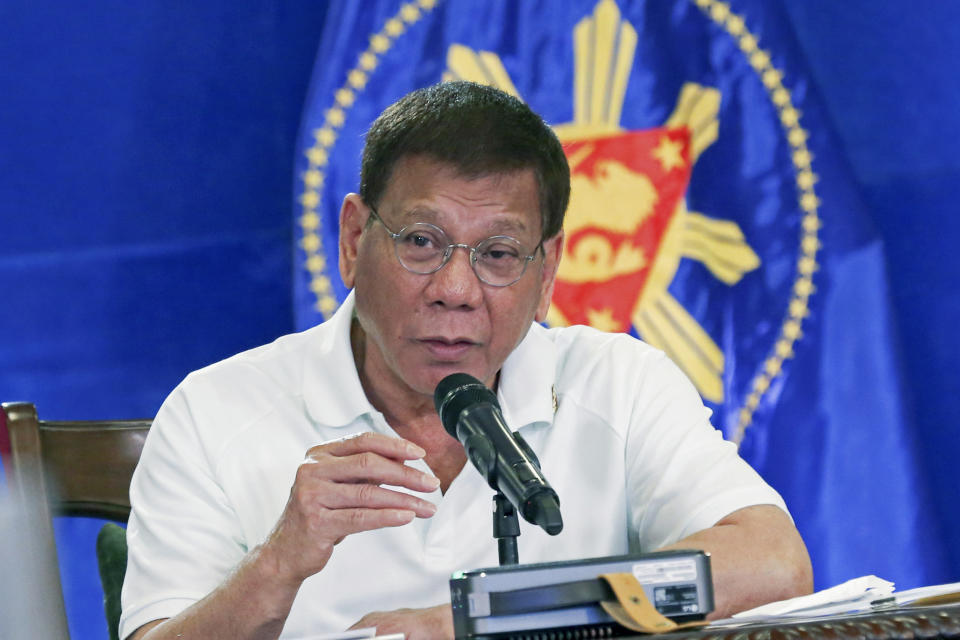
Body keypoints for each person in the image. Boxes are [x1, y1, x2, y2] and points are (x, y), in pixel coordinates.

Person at [120, 81, 812, 640]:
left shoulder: (616, 383)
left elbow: (773, 562)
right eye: (421, 242)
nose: (455, 290)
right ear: (355, 239)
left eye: (499, 255)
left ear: (546, 274)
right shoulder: (214, 412)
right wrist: (277, 562)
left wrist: (489, 617)